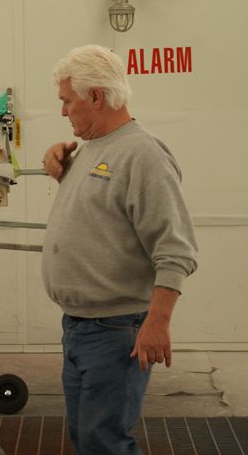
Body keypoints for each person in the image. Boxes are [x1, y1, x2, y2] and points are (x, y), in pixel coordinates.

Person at [41, 44, 198, 455]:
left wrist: (158, 322)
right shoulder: (92, 148)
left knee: (104, 442)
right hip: (79, 327)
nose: (63, 111)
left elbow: (176, 249)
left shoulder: (143, 155)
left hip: (115, 330)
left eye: (67, 101)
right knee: (86, 437)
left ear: (95, 96)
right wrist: (55, 159)